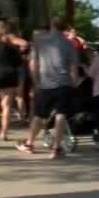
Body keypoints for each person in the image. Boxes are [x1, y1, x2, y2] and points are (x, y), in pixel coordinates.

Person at [17, 17, 79, 159]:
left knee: (39, 115)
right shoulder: (69, 44)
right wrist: (74, 83)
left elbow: (33, 64)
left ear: (51, 25)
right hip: (64, 83)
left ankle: (30, 143)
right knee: (61, 114)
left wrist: (36, 81)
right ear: (64, 28)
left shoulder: (40, 41)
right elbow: (73, 67)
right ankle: (57, 148)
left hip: (45, 84)